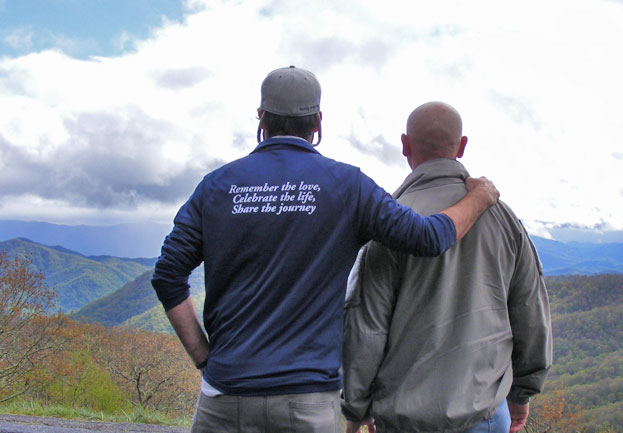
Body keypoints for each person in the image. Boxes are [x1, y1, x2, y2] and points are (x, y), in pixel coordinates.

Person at [151, 68, 500, 433]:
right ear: (317, 122)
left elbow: (168, 275)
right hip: (308, 401)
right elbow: (428, 238)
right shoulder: (347, 186)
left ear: (261, 119)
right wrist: (479, 196)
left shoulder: (216, 186)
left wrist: (204, 359)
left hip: (224, 396)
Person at [342, 101, 552, 433]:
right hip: (485, 416)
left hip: (404, 421)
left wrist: (357, 408)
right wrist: (522, 394)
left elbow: (366, 329)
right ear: (462, 146)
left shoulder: (388, 223)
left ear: (404, 145)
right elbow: (529, 311)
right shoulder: (504, 219)